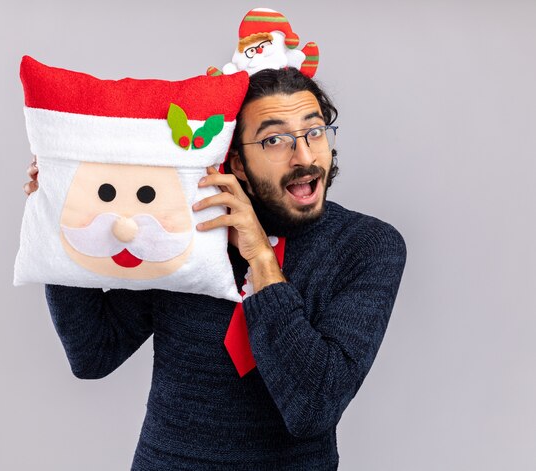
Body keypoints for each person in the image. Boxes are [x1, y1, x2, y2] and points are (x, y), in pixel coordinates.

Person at [23, 68, 407, 470]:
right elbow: (93, 354)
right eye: (275, 140)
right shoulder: (187, 230)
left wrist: (260, 260)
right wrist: (59, 225)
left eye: (314, 132)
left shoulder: (367, 246)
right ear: (238, 162)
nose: (305, 157)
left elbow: (312, 408)